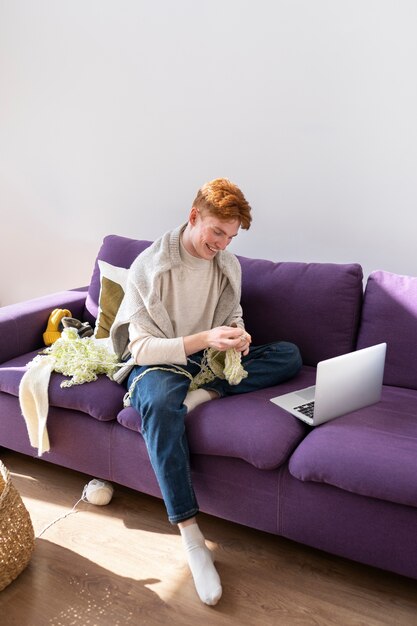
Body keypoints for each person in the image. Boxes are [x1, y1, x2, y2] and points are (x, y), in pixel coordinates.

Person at [110, 178, 302, 605]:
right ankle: (192, 537)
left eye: (231, 237)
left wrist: (238, 334)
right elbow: (138, 348)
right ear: (194, 216)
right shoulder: (151, 265)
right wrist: (204, 340)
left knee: (288, 355)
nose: (222, 244)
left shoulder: (227, 264)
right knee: (160, 404)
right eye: (217, 231)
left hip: (205, 361)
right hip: (160, 360)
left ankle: (204, 395)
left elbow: (232, 313)